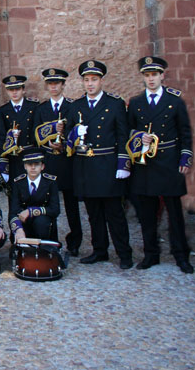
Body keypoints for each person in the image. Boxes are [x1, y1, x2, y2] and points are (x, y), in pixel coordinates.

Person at [127, 56, 194, 273]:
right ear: (143, 78)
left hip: (169, 160)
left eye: (155, 75)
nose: (151, 79)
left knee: (175, 213)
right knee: (147, 214)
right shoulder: (136, 103)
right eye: (147, 75)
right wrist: (139, 137)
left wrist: (185, 157)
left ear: (162, 75)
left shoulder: (175, 100)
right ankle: (151, 254)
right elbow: (129, 132)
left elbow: (185, 132)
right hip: (145, 164)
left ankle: (181, 255)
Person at [67, 60, 133, 269]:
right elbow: (68, 137)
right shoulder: (76, 106)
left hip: (108, 164)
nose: (90, 84)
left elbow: (123, 136)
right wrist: (74, 134)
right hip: (86, 166)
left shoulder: (114, 104)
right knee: (93, 213)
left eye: (94, 80)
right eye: (86, 80)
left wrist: (124, 163)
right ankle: (100, 250)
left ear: (101, 81)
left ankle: (124, 253)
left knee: (115, 213)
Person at [32, 68, 80, 256]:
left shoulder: (72, 106)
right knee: (48, 203)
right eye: (50, 84)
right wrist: (47, 143)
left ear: (62, 85)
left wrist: (64, 140)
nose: (53, 87)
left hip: (66, 161)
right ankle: (50, 239)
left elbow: (77, 131)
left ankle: (75, 241)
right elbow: (35, 135)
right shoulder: (41, 109)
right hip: (48, 161)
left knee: (71, 205)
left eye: (57, 84)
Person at [9, 148, 60, 242]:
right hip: (24, 222)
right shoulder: (18, 182)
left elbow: (55, 210)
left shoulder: (50, 182)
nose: (33, 167)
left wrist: (31, 211)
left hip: (43, 224)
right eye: (29, 164)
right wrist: (18, 229)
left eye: (36, 164)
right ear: (25, 166)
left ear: (42, 166)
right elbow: (13, 211)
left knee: (41, 223)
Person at [0, 75, 37, 182]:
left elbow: (36, 131)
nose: (14, 92)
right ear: (7, 91)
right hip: (12, 157)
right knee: (14, 190)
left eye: (17, 89)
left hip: (30, 154)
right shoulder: (2, 110)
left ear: (23, 90)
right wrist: (9, 137)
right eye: (11, 90)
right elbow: (0, 135)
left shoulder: (34, 107)